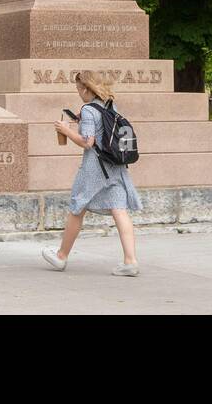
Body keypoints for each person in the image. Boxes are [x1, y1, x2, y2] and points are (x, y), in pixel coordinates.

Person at [42, 71, 140, 275]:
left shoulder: (88, 109)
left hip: (94, 167)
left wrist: (66, 129)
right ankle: (130, 261)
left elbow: (87, 142)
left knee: (77, 207)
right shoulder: (110, 104)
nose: (78, 93)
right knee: (119, 210)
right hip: (115, 165)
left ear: (86, 88)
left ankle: (61, 256)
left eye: (79, 89)